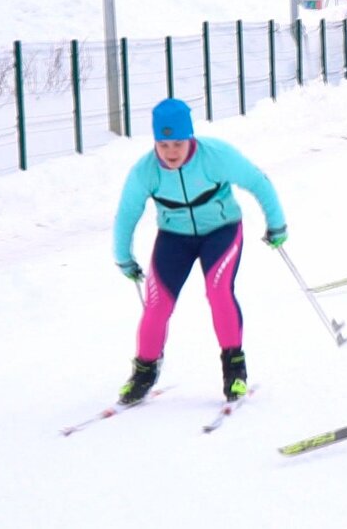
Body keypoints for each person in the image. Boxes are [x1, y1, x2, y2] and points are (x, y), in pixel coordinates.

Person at [112, 98, 288, 405]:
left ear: (190, 137)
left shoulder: (216, 156)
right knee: (157, 304)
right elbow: (127, 213)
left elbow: (258, 182)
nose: (170, 153)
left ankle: (234, 368)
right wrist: (123, 257)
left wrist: (277, 225)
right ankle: (144, 371)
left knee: (218, 290)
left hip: (221, 231)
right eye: (163, 145)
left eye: (178, 143)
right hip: (174, 238)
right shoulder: (144, 171)